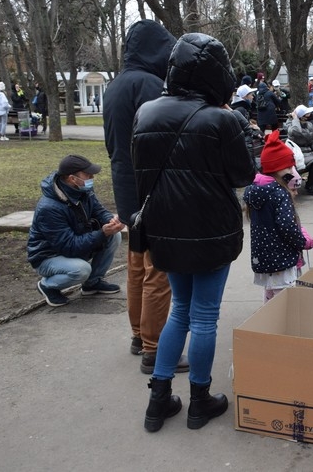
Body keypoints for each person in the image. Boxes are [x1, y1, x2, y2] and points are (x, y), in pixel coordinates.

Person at [131, 32, 255, 433]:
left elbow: (140, 173)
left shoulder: (146, 112)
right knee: (203, 316)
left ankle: (158, 400)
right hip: (211, 230)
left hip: (165, 229)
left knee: (180, 311)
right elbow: (243, 175)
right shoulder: (221, 118)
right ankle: (200, 401)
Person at [102, 19, 189, 376]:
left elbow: (115, 143)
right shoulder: (152, 84)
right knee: (159, 269)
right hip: (153, 189)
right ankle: (154, 348)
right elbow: (163, 140)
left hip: (126, 188)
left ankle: (139, 336)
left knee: (137, 264)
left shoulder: (116, 86)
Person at [27, 154, 125, 307]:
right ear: (72, 178)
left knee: (115, 236)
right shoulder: (49, 208)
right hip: (48, 256)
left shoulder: (83, 190)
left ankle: (92, 283)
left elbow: (98, 210)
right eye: (88, 174)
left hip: (73, 246)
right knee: (81, 270)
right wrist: (102, 233)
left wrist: (111, 220)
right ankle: (47, 285)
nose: (92, 177)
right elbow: (69, 246)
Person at [243, 130, 313, 303]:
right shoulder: (279, 193)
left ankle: (268, 321)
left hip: (263, 257)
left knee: (270, 293)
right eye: (289, 166)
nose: (292, 170)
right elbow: (286, 226)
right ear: (278, 168)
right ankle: (280, 326)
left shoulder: (255, 190)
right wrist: (302, 241)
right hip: (281, 258)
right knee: (284, 300)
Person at [288, 104, 313, 195]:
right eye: (307, 114)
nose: (309, 116)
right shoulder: (291, 124)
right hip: (296, 154)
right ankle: (312, 185)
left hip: (308, 154)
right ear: (301, 116)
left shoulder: (309, 125)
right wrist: (295, 119)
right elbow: (296, 131)